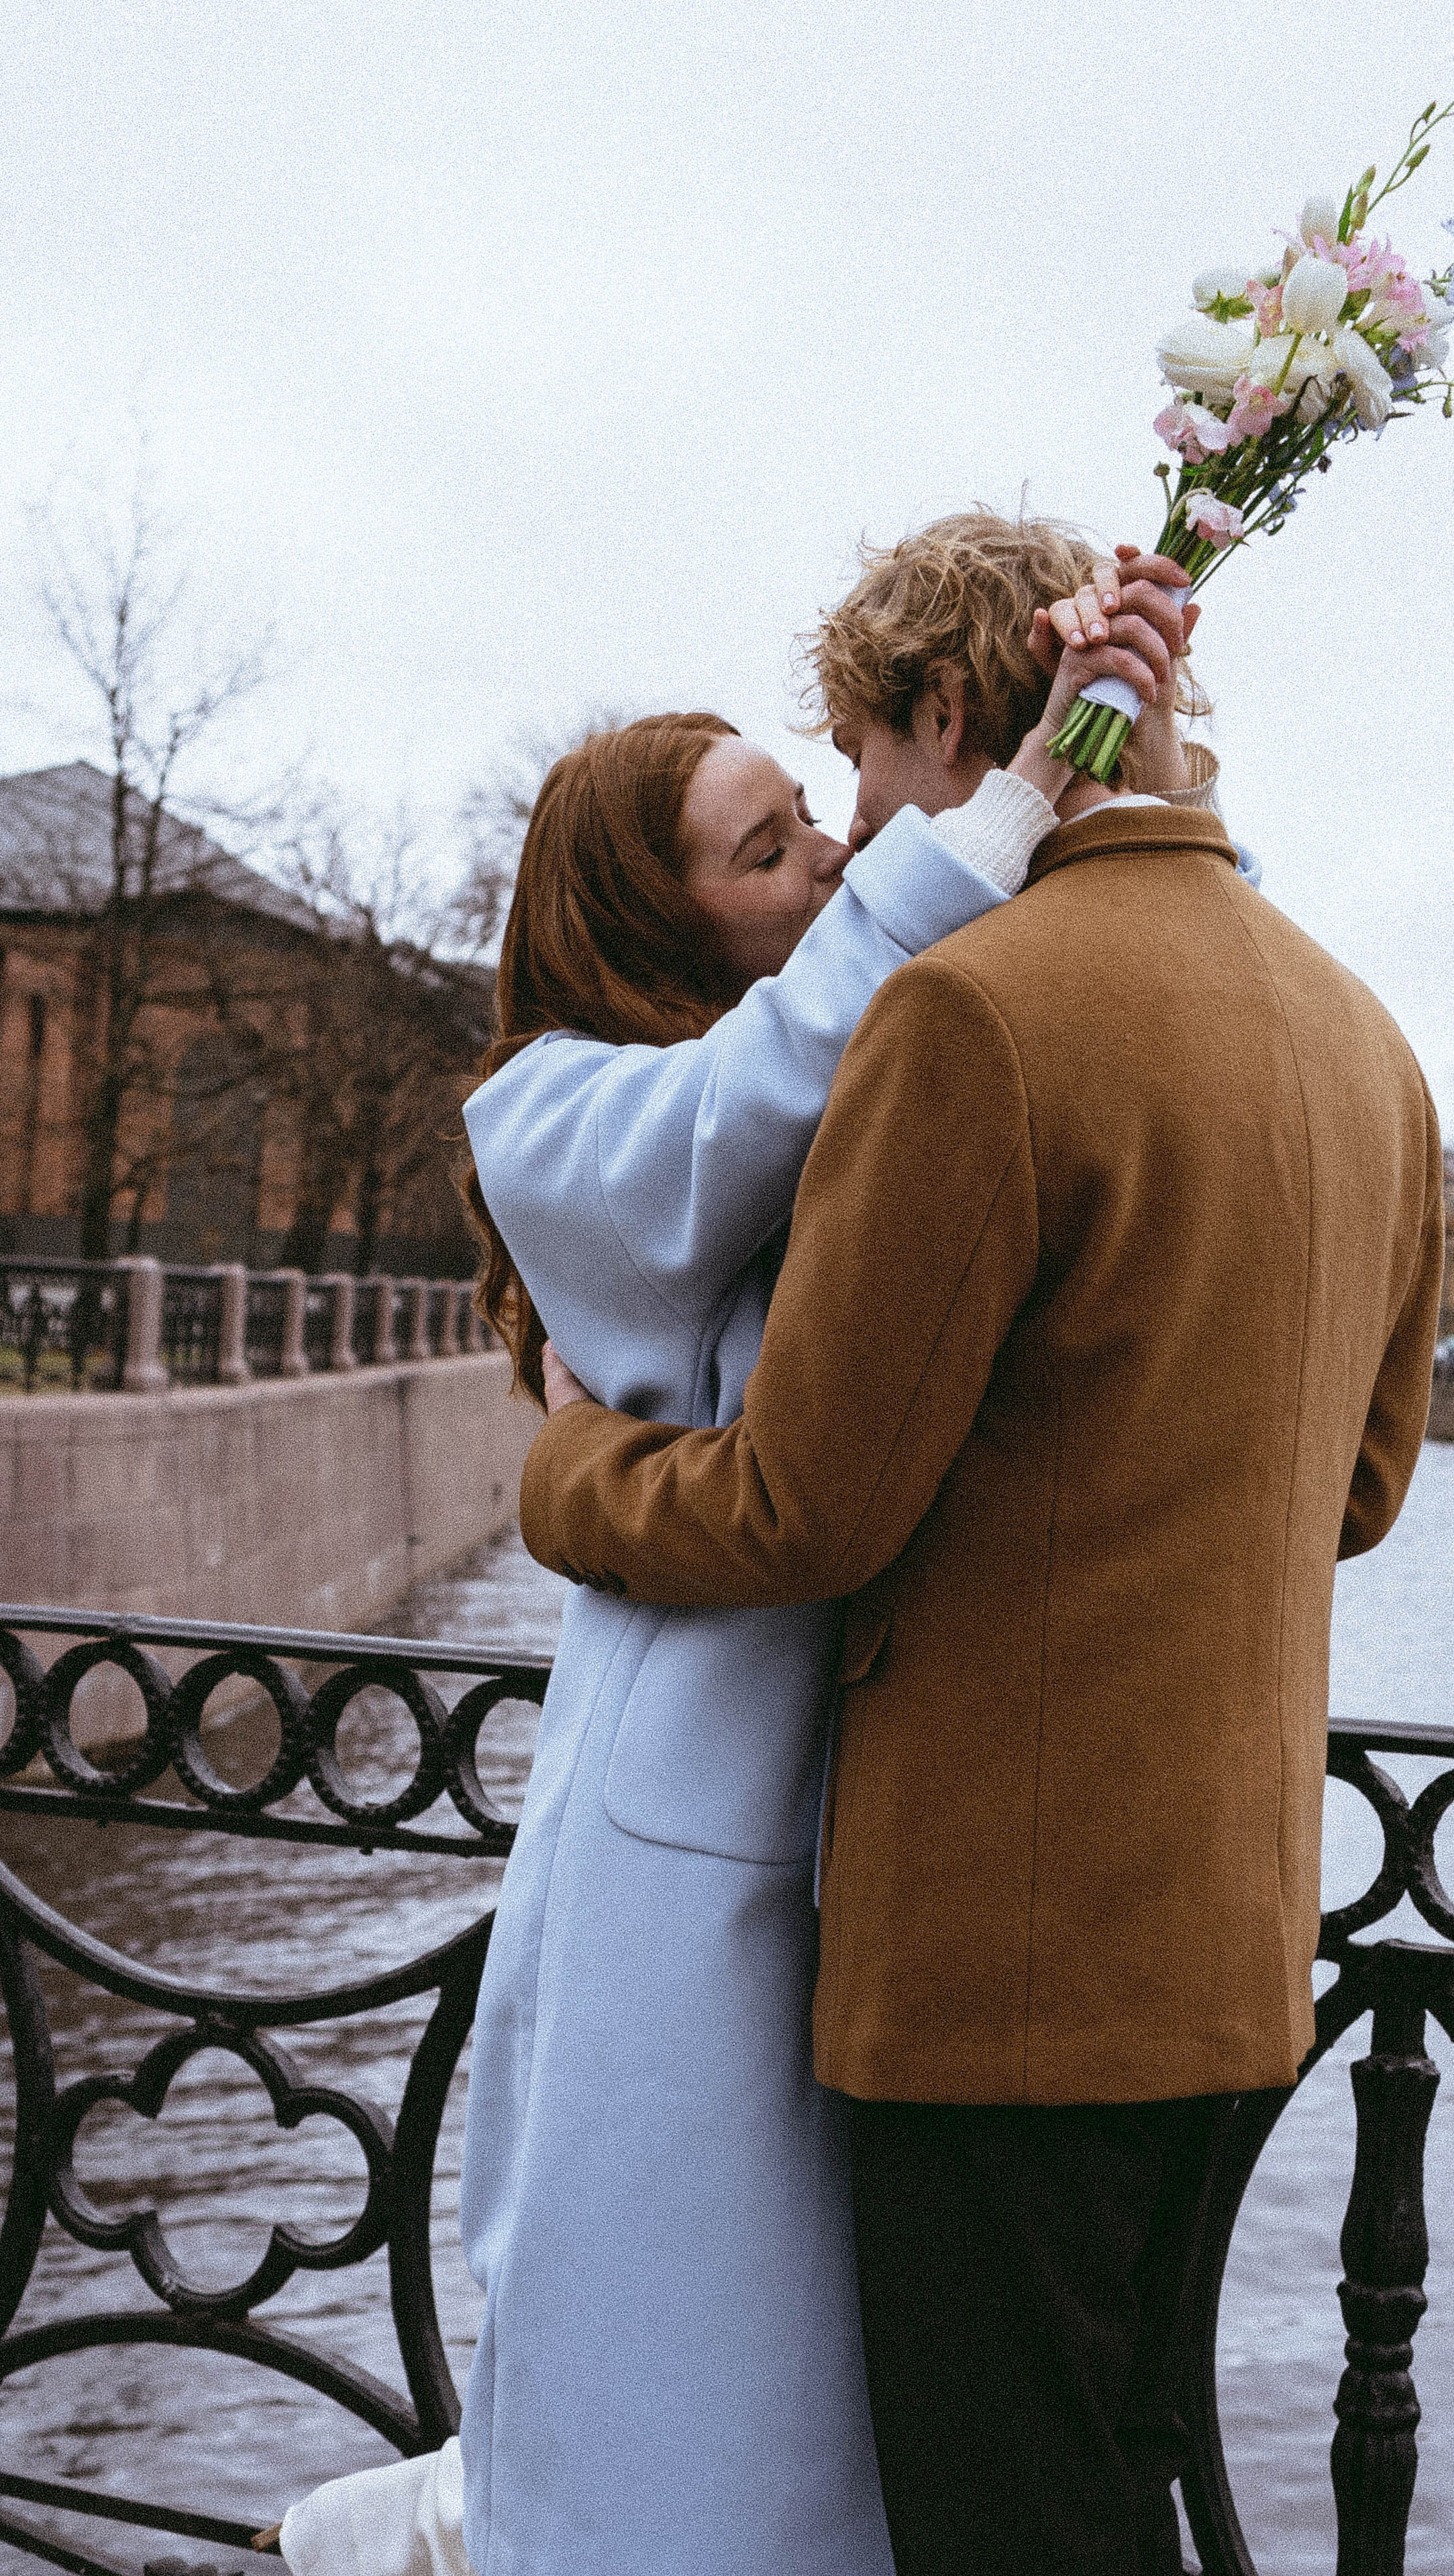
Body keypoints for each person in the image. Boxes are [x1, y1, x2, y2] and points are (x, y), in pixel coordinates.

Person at [269, 521, 1228, 2576]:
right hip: (693, 1817)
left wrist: (1127, 726)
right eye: (766, 843)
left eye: (821, 816)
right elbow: (746, 1112)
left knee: (813, 2361)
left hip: (885, 1813)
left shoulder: (879, 1063)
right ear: (652, 914)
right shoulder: (558, 1104)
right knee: (675, 2319)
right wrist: (1024, 785)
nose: (824, 856)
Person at [515, 513, 1445, 2576]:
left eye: (852, 763)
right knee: (1117, 2489)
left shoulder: (977, 1019)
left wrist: (566, 1478)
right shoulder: (1367, 1041)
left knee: (1002, 2524)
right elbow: (1359, 1494)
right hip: (1231, 1951)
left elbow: (803, 1505)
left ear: (953, 716)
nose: (856, 838)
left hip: (996, 1980)